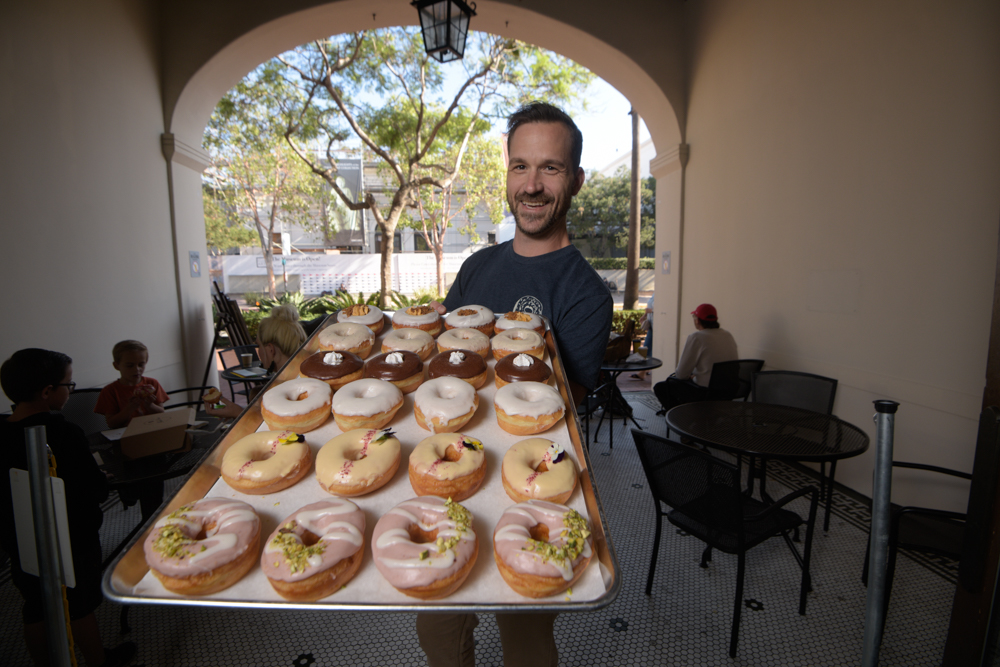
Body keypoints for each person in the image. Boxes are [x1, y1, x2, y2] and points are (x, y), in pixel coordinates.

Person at [421, 101, 613, 667]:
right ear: (507, 173)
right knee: (439, 626)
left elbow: (564, 410)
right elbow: (444, 358)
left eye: (550, 168)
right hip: (447, 463)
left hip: (528, 482)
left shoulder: (584, 293)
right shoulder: (478, 266)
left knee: (525, 632)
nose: (531, 185)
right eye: (520, 167)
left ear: (575, 179)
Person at [0, 349, 136, 667]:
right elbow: (91, 488)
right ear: (48, 392)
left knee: (34, 603)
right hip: (70, 538)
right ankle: (98, 660)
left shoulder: (3, 432)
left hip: (18, 538)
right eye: (69, 385)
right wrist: (101, 480)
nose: (69, 391)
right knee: (77, 603)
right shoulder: (62, 433)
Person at [205, 304, 307, 418]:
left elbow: (276, 427)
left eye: (258, 346)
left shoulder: (281, 392)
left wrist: (238, 414)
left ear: (270, 350)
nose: (258, 351)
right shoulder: (304, 375)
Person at [653, 303, 738, 413]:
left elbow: (681, 374)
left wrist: (692, 377)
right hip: (730, 391)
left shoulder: (697, 337)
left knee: (661, 387)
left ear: (697, 320)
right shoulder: (727, 335)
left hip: (705, 392)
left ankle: (681, 420)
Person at [93, 340, 168, 429]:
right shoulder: (110, 391)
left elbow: (161, 413)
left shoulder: (152, 383)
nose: (137, 369)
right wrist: (129, 409)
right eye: (129, 365)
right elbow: (112, 424)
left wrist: (150, 406)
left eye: (141, 364)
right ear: (116, 365)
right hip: (126, 434)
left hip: (152, 430)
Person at [633, 294, 654, 381]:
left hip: (657, 326)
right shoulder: (655, 293)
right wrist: (644, 315)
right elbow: (649, 307)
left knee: (646, 348)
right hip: (652, 325)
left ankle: (643, 372)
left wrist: (651, 310)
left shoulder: (661, 293)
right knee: (647, 348)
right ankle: (645, 370)